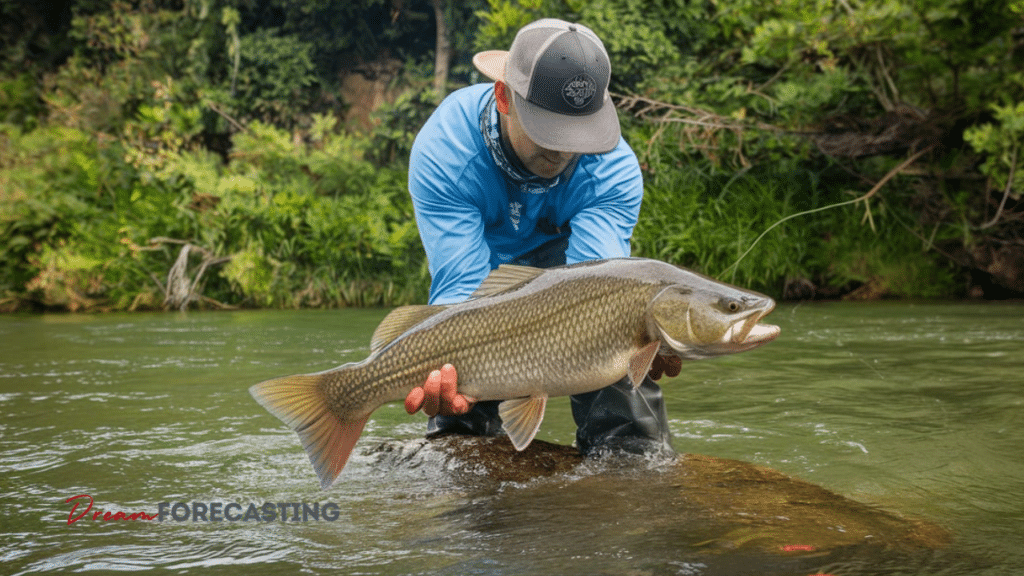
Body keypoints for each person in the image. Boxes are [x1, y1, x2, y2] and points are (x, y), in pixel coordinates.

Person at [403, 18, 681, 455]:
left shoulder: (612, 170)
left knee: (622, 384)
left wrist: (645, 341)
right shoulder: (445, 149)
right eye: (548, 130)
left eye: (577, 133)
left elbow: (600, 291)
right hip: (484, 299)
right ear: (504, 97)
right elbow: (461, 291)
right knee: (458, 413)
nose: (562, 150)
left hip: (575, 295)